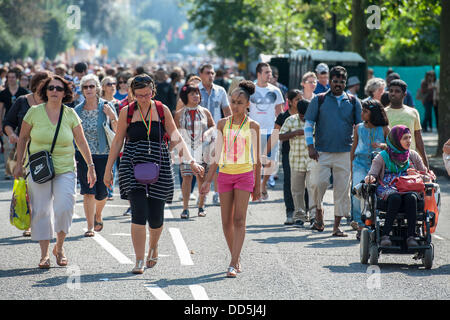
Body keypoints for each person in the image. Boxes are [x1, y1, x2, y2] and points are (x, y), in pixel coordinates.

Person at [103, 74, 205, 274]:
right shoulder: (127, 111)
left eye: (147, 94)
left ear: (153, 91)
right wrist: (108, 170)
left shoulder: (162, 109)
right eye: (139, 95)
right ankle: (139, 259)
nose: (143, 98)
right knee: (138, 212)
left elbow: (176, 138)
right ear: (133, 93)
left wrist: (191, 161)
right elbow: (117, 141)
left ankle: (154, 246)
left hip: (160, 164)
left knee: (156, 216)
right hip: (132, 164)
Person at [13, 74, 96, 269]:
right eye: (51, 88)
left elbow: (81, 141)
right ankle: (44, 255)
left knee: (65, 207)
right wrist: (19, 164)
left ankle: (59, 247)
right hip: (39, 168)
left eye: (59, 89)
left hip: (66, 167)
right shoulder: (34, 112)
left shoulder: (70, 114)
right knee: (41, 210)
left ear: (65, 93)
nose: (55, 92)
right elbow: (23, 138)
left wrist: (91, 166)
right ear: (45, 91)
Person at [200, 80, 261, 278]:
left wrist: (258, 186)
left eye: (239, 102)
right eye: (232, 101)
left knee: (239, 219)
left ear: (248, 105)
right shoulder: (222, 124)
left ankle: (233, 262)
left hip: (245, 175)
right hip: (225, 175)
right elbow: (216, 155)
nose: (235, 106)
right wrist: (208, 180)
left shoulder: (253, 125)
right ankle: (235, 257)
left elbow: (258, 159)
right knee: (226, 221)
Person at [304, 66, 362, 236]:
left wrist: (358, 150)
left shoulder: (353, 101)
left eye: (341, 82)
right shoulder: (319, 99)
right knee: (317, 183)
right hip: (321, 151)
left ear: (345, 83)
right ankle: (319, 211)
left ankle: (336, 227)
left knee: (342, 190)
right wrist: (310, 146)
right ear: (330, 82)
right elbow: (308, 125)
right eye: (335, 81)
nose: (338, 84)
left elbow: (358, 128)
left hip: (345, 152)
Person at [364, 125, 430, 248]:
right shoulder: (382, 156)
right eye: (405, 138)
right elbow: (372, 174)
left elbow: (427, 176)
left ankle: (411, 236)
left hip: (409, 188)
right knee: (395, 197)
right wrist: (370, 178)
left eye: (410, 138)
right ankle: (385, 235)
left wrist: (417, 174)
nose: (409, 141)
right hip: (388, 189)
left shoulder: (413, 155)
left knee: (411, 198)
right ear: (396, 140)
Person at [3, 71, 49, 237]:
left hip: (48, 152)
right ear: (35, 85)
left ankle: (44, 220)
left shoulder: (53, 102)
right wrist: (11, 135)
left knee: (45, 188)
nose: (48, 89)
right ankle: (31, 222)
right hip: (24, 150)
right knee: (28, 188)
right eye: (43, 84)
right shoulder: (23, 101)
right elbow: (7, 122)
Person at [75, 74, 118, 237]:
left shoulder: (105, 106)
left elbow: (117, 130)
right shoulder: (77, 110)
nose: (88, 90)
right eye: (85, 87)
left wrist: (112, 116)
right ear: (82, 90)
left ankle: (98, 214)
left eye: (91, 86)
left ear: (97, 88)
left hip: (104, 154)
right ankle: (90, 226)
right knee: (88, 191)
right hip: (84, 156)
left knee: (102, 192)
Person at [350, 99, 389, 240]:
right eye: (362, 110)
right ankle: (360, 226)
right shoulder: (358, 128)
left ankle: (373, 223)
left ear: (374, 113)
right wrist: (351, 168)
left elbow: (392, 147)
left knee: (375, 195)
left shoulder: (384, 129)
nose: (362, 113)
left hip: (378, 165)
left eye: (365, 111)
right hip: (359, 164)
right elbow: (353, 148)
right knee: (357, 193)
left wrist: (382, 145)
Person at [175, 84, 215, 219]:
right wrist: (178, 149)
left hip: (203, 149)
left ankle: (201, 206)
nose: (196, 96)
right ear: (185, 96)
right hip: (186, 150)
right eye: (192, 94)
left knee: (202, 177)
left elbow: (213, 126)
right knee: (186, 178)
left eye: (197, 93)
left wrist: (208, 133)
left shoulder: (205, 111)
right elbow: (175, 132)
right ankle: (185, 208)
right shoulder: (179, 113)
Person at [249, 62, 284, 200]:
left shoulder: (275, 90)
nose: (270, 75)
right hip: (254, 131)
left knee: (271, 162)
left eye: (270, 72)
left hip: (271, 130)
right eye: (267, 72)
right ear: (259, 74)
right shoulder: (250, 89)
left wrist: (279, 130)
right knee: (254, 162)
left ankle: (263, 184)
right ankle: (256, 186)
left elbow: (280, 113)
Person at [198, 64, 232, 206]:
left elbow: (227, 111)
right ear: (200, 74)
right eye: (207, 73)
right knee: (202, 166)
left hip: (217, 133)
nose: (211, 75)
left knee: (217, 164)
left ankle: (217, 194)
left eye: (212, 73)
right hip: (198, 133)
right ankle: (202, 195)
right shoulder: (195, 90)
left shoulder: (220, 91)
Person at [279, 98, 313, 227]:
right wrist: (295, 133)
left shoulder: (315, 121)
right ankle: (299, 216)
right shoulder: (291, 120)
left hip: (312, 160)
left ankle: (314, 216)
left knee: (313, 188)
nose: (304, 117)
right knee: (297, 190)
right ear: (298, 112)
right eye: (302, 115)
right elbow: (280, 136)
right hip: (296, 160)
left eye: (306, 115)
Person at [385, 79, 428, 168]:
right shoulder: (383, 113)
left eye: (397, 91)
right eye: (391, 91)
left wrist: (425, 162)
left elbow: (418, 137)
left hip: (410, 159)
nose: (393, 93)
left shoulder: (413, 112)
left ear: (404, 94)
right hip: (389, 159)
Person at [275, 89, 302, 225]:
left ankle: (303, 212)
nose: (300, 101)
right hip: (288, 154)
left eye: (301, 99)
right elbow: (277, 136)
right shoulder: (283, 117)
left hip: (305, 154)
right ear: (290, 102)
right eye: (297, 99)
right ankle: (290, 212)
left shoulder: (306, 115)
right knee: (289, 183)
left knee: (305, 183)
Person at [0, 69, 29, 180]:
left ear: (17, 79)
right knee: (8, 147)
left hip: (22, 123)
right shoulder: (3, 93)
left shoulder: (24, 92)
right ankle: (9, 171)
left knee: (22, 146)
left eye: (13, 77)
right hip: (9, 123)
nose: (11, 79)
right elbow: (1, 110)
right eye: (9, 77)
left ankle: (22, 168)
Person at [101, 76, 121, 201]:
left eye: (114, 83)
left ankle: (110, 189)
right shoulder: (100, 103)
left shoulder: (119, 104)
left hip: (116, 135)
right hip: (104, 136)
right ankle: (107, 189)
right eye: (109, 84)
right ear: (103, 87)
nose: (112, 86)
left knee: (116, 163)